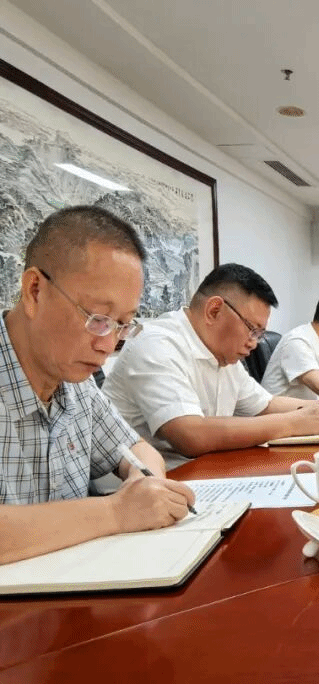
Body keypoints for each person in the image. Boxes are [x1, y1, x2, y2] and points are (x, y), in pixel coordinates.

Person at [0, 206, 195, 564]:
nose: (107, 344)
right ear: (34, 291)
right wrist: (117, 512)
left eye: (123, 324)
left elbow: (137, 448)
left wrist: (145, 482)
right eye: (98, 318)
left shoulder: (76, 382)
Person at [104, 264, 319, 467]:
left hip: (205, 472)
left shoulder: (224, 356)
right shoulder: (157, 343)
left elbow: (265, 405)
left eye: (260, 334)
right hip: (140, 490)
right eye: (252, 329)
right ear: (214, 310)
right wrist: (292, 423)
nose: (254, 343)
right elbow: (190, 435)